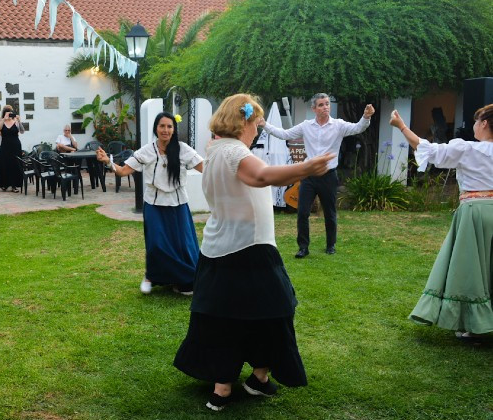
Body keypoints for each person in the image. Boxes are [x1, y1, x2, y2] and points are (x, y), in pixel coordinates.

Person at [173, 93, 334, 411]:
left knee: (222, 318)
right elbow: (261, 176)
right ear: (243, 121)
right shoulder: (234, 151)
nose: (258, 130)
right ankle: (247, 381)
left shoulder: (215, 148)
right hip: (249, 249)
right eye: (256, 123)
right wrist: (307, 168)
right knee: (276, 312)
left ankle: (234, 384)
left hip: (218, 249)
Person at [390, 104, 492, 341]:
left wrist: (401, 126)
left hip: (475, 212)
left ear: (485, 123)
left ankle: (474, 324)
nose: (474, 126)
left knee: (471, 270)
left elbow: (429, 150)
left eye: (477, 122)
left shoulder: (467, 149)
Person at [96, 111, 203, 295]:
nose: (166, 130)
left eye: (169, 126)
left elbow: (206, 169)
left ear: (174, 129)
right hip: (154, 203)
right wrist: (108, 162)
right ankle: (151, 276)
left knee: (182, 244)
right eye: (162, 126)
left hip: (178, 203)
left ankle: (184, 280)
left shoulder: (183, 149)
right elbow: (122, 171)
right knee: (156, 244)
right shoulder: (146, 150)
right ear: (156, 128)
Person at [258, 93, 375, 258]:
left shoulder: (338, 125)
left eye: (327, 104)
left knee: (329, 212)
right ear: (314, 108)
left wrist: (366, 117)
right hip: (309, 176)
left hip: (329, 175)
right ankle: (303, 248)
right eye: (321, 105)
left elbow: (358, 128)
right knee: (302, 212)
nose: (325, 107)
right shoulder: (306, 126)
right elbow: (284, 134)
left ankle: (331, 245)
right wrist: (264, 124)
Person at [0, 105, 24, 192]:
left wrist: (19, 121)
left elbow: (22, 131)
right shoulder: (1, 121)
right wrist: (4, 119)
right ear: (4, 114)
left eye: (11, 113)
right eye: (8, 113)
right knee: (5, 164)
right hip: (5, 146)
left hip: (15, 146)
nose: (9, 115)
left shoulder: (15, 121)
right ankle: (5, 184)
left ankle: (14, 185)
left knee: (15, 164)